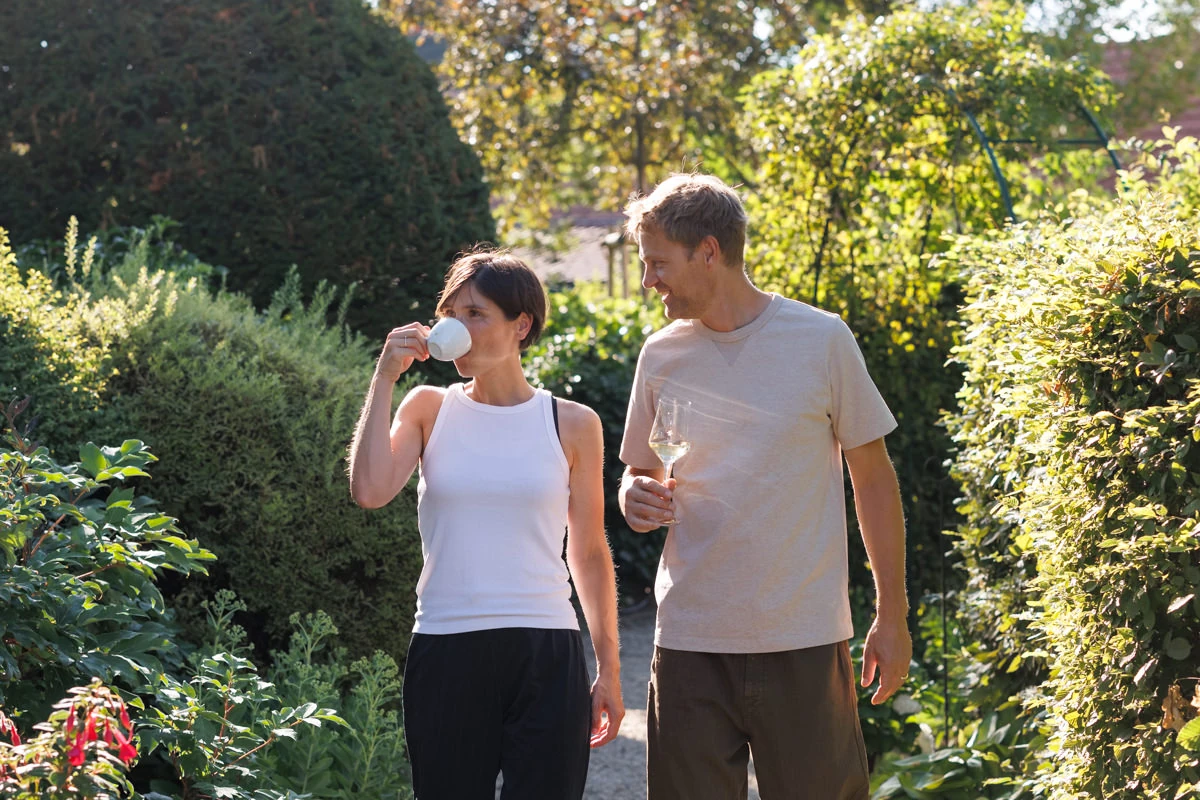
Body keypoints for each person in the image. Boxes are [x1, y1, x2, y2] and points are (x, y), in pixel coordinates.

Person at [617, 174, 912, 800]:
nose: (649, 282)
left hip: (802, 638)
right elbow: (640, 472)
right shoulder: (660, 355)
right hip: (689, 641)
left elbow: (875, 482)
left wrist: (892, 613)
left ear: (708, 251)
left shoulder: (822, 339)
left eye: (658, 264)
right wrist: (632, 496)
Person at [349, 251, 624, 800]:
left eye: (476, 313)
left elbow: (589, 552)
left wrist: (609, 670)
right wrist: (383, 378)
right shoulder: (428, 407)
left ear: (521, 325)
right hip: (448, 647)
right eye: (451, 313)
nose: (458, 326)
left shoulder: (573, 424)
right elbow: (370, 490)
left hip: (547, 649)